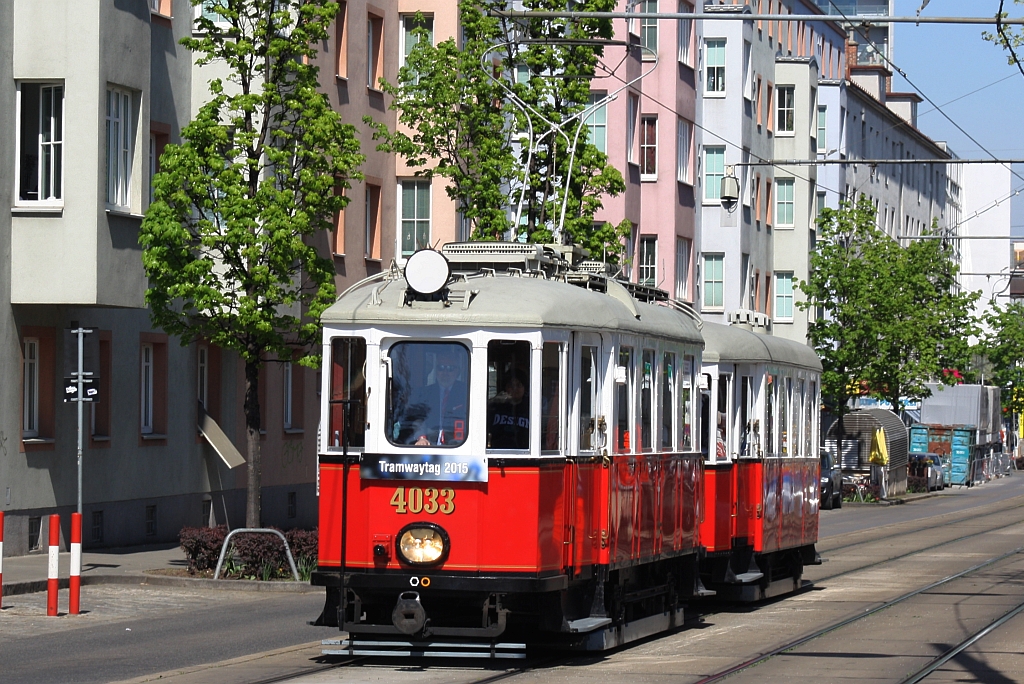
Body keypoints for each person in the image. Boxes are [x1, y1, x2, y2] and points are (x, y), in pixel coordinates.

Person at [404, 352, 468, 446]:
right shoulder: (424, 393)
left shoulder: (466, 393)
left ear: (458, 372)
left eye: (450, 368)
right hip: (429, 446)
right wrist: (421, 437)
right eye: (441, 368)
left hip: (458, 446)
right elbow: (418, 418)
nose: (445, 372)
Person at [488, 370, 530, 449]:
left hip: (524, 453)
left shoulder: (530, 409)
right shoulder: (495, 407)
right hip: (498, 452)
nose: (515, 389)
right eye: (511, 385)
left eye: (519, 385)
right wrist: (494, 400)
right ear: (505, 388)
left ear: (524, 388)